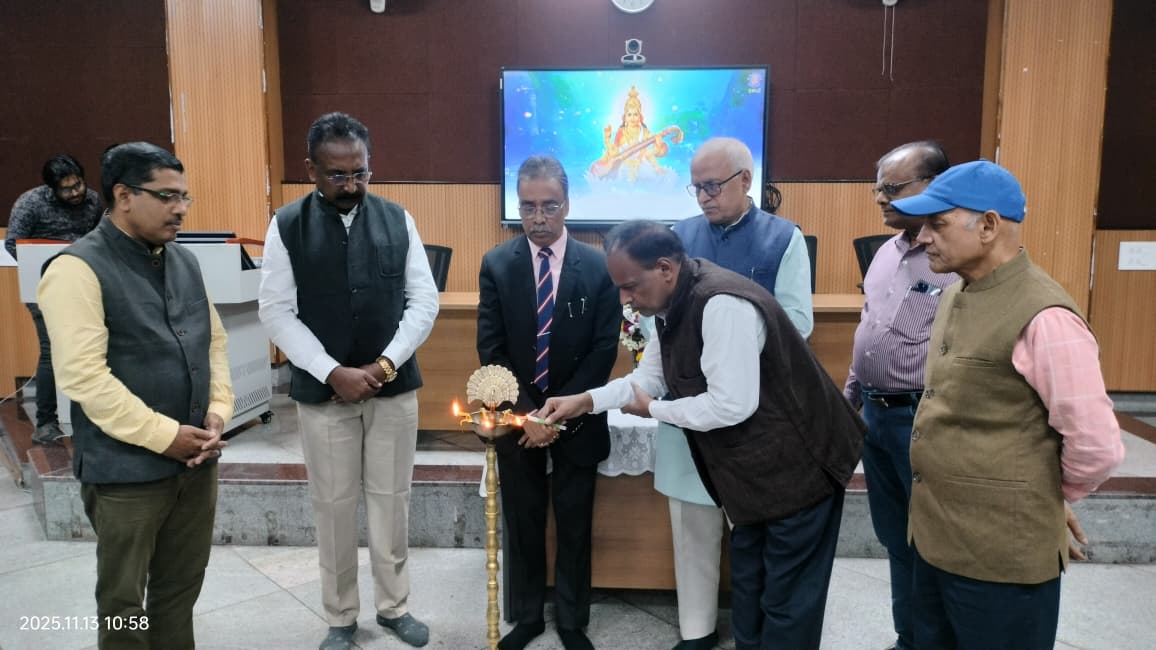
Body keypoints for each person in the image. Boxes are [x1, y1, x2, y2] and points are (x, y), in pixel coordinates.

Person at [538, 220, 865, 650]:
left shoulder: (720, 304)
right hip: (751, 480)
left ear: (665, 268)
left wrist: (654, 410)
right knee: (749, 592)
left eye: (630, 286)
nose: (625, 301)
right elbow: (649, 379)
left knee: (787, 605)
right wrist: (584, 400)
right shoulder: (670, 305)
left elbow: (731, 405)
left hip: (802, 469)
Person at [890, 160, 1126, 649]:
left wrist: (1045, 496)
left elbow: (1097, 446)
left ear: (989, 226)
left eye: (937, 224)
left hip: (1001, 561)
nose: (923, 237)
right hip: (937, 544)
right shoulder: (955, 295)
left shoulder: (1046, 317)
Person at [37, 142, 231, 649]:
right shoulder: (76, 269)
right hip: (126, 473)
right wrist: (166, 436)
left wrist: (218, 411)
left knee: (180, 589)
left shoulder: (184, 260)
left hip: (196, 463)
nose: (181, 209)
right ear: (123, 196)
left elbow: (212, 340)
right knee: (124, 606)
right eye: (167, 196)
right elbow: (85, 378)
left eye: (185, 197)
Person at [258, 112, 439, 650]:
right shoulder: (287, 225)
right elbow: (276, 310)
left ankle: (394, 607)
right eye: (337, 174)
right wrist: (330, 371)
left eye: (360, 172)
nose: (351, 184)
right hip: (323, 394)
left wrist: (385, 365)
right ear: (311, 169)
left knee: (391, 501)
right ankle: (340, 616)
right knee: (333, 507)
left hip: (392, 388)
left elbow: (423, 300)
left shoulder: (397, 219)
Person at [657, 135, 815, 649]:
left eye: (713, 185)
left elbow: (798, 323)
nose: (703, 197)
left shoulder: (782, 239)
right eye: (696, 187)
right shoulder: (677, 238)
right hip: (688, 403)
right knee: (693, 526)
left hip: (754, 413)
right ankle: (696, 631)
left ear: (746, 180)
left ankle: (757, 633)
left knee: (756, 534)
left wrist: (729, 350)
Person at [476, 155, 620, 650]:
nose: (538, 217)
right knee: (524, 519)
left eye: (549, 206)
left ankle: (573, 620)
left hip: (577, 417)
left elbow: (604, 350)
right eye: (528, 206)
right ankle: (527, 616)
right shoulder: (497, 264)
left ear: (567, 205)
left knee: (575, 522)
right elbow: (491, 348)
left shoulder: (599, 267)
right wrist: (527, 416)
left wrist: (559, 413)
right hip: (518, 417)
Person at [842, 141, 954, 650]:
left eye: (892, 188)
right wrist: (850, 398)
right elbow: (869, 327)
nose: (880, 198)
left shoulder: (953, 258)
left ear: (934, 185)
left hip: (921, 417)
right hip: (875, 416)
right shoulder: (886, 253)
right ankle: (908, 638)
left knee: (930, 541)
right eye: (878, 188)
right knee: (894, 538)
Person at [5, 154, 102, 444]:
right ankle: (46, 423)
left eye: (78, 185)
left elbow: (100, 239)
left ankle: (93, 418)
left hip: (84, 285)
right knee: (51, 350)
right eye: (66, 189)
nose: (75, 193)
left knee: (92, 347)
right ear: (52, 188)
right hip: (43, 288)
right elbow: (12, 244)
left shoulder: (93, 201)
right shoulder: (30, 203)